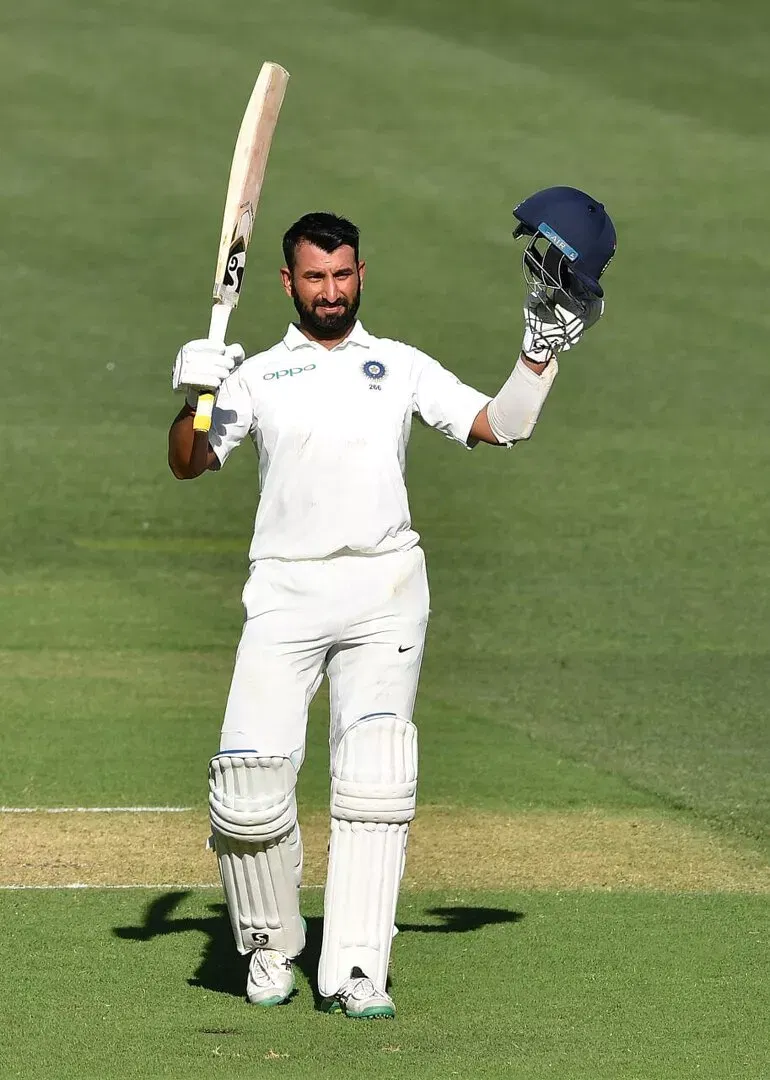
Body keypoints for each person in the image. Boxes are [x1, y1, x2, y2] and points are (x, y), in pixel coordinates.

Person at [167, 190, 616, 1019]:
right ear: (286, 282)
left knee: (376, 781)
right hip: (286, 593)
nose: (330, 291)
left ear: (361, 274)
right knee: (246, 791)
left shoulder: (399, 364)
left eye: (342, 275)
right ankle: (269, 952)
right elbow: (190, 463)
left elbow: (498, 426)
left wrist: (538, 356)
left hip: (384, 590)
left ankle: (358, 970)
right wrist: (195, 394)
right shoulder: (257, 375)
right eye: (314, 278)